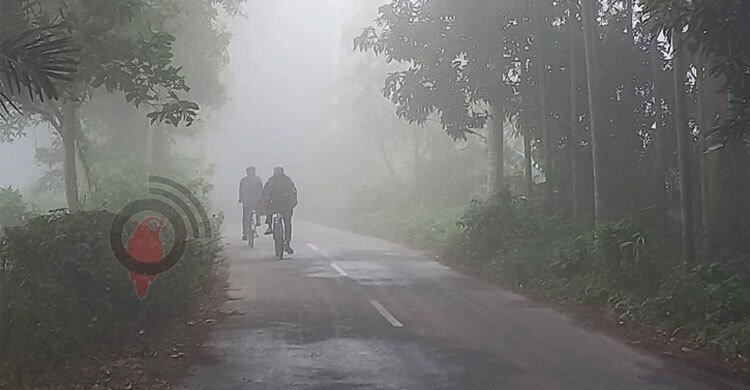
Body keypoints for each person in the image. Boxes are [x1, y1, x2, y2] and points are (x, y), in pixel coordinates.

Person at [263, 166, 298, 254]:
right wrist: (293, 203)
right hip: (286, 205)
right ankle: (287, 242)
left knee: (269, 211)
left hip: (275, 204)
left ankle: (270, 226)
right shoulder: (287, 180)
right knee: (287, 223)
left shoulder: (271, 180)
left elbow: (265, 193)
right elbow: (293, 192)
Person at [239, 166, 264, 241]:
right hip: (254, 201)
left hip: (247, 201)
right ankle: (257, 219)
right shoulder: (257, 179)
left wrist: (241, 198)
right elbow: (261, 190)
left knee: (246, 217)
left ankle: (245, 233)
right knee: (257, 211)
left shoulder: (244, 180)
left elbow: (241, 191)